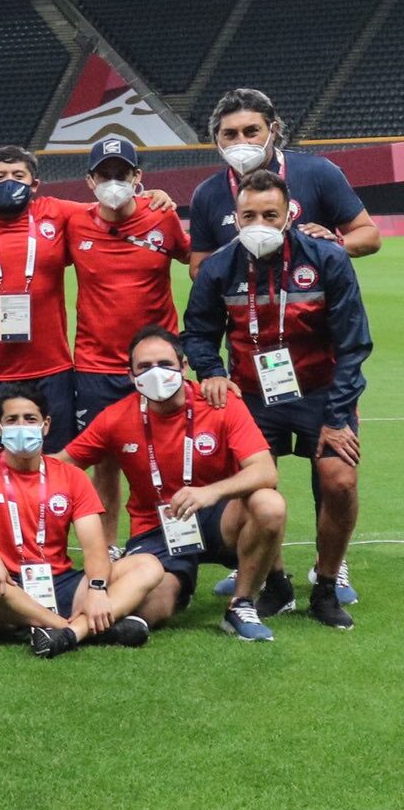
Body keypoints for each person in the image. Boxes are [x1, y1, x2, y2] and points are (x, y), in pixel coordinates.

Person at [183, 170, 371, 629]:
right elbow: (198, 335)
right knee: (254, 490)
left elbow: (354, 344)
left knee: (339, 480)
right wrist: (211, 372)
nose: (260, 223)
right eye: (250, 215)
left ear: (289, 214)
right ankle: (276, 583)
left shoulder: (327, 259)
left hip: (322, 391)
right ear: (236, 217)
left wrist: (337, 415)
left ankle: (325, 587)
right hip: (251, 395)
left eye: (271, 214)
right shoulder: (218, 267)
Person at [62, 327, 285, 641]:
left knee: (269, 504)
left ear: (183, 367)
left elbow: (265, 471)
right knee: (150, 608)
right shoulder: (115, 417)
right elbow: (60, 464)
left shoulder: (220, 403)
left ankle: (241, 603)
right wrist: (2, 463)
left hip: (217, 518)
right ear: (131, 375)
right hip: (157, 527)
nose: (156, 374)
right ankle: (174, 592)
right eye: (144, 367)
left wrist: (210, 493)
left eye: (165, 365)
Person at [0, 146, 173, 460]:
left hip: (50, 369)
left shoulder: (58, 213)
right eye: (0, 177)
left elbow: (111, 206)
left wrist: (150, 195)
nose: (9, 182)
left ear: (35, 185)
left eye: (18, 176)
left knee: (57, 465)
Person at [0, 386, 163, 657]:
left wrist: (97, 589)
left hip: (60, 584)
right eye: (12, 420)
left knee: (148, 565)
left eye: (30, 419)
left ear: (45, 425)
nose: (22, 426)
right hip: (5, 586)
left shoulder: (71, 476)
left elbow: (95, 548)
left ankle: (64, 633)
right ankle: (72, 628)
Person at [63, 138, 190, 525]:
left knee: (169, 452)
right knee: (105, 463)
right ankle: (108, 548)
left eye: (123, 173)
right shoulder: (75, 221)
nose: (113, 181)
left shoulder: (162, 217)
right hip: (96, 364)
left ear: (138, 177)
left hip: (158, 361)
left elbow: (195, 258)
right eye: (105, 174)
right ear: (90, 180)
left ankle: (173, 543)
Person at [186, 87, 378, 268]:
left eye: (251, 132)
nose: (241, 141)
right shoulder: (207, 193)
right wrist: (231, 267)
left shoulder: (318, 172)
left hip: (310, 297)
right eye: (230, 134)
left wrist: (332, 245)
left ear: (273, 130)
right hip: (243, 301)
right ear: (216, 137)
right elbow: (198, 266)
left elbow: (370, 236)